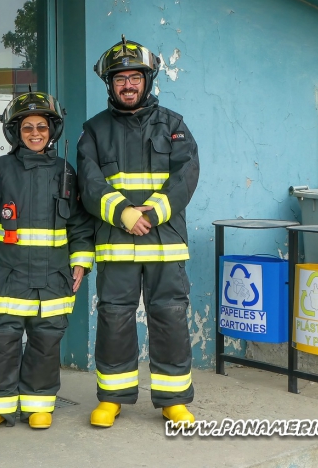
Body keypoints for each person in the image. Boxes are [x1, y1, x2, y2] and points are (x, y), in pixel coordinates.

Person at [77, 36, 200, 428]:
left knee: (170, 318)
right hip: (117, 244)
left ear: (146, 81)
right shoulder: (94, 131)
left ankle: (173, 400)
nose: (127, 85)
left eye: (134, 78)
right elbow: (88, 181)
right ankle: (111, 398)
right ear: (109, 85)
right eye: (119, 80)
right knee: (114, 319)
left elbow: (187, 175)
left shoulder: (175, 126)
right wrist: (123, 213)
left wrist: (158, 211)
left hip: (165, 245)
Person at [0, 91, 95, 432]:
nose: (35, 133)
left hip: (54, 278)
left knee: (46, 342)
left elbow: (79, 223)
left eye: (42, 127)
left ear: (52, 131)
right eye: (28, 127)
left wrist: (80, 262)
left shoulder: (66, 172)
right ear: (15, 132)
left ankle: (38, 404)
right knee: (2, 339)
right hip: (8, 275)